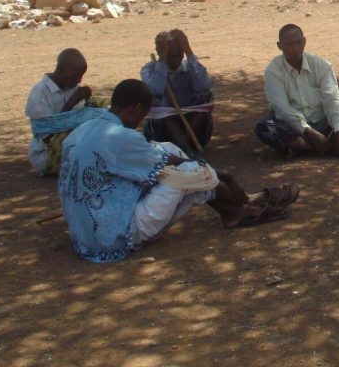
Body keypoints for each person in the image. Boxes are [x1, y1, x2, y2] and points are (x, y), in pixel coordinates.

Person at [59, 79, 299, 263]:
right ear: (135, 109)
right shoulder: (121, 137)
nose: (140, 122)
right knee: (191, 172)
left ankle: (236, 211)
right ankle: (244, 202)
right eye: (142, 116)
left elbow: (159, 157)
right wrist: (224, 175)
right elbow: (174, 164)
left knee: (175, 159)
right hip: (113, 237)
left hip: (85, 234)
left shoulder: (86, 128)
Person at [255, 24, 339, 157]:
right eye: (289, 44)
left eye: (298, 43)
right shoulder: (273, 71)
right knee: (265, 128)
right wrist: (309, 132)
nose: (295, 48)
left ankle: (303, 147)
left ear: (304, 42)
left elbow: (332, 99)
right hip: (293, 127)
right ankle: (327, 148)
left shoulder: (321, 65)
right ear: (280, 46)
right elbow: (283, 109)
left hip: (323, 122)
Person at [25, 48, 101, 176]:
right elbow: (48, 135)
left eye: (81, 75)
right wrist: (72, 103)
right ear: (61, 70)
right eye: (76, 75)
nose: (79, 80)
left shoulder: (72, 88)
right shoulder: (40, 93)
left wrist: (90, 106)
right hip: (47, 155)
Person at [140, 29, 214, 157]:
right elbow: (155, 90)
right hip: (162, 130)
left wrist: (189, 52)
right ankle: (186, 151)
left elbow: (204, 86)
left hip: (193, 128)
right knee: (167, 117)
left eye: (179, 54)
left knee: (205, 100)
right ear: (159, 52)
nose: (175, 60)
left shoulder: (190, 67)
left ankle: (183, 147)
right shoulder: (150, 69)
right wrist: (162, 61)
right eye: (170, 56)